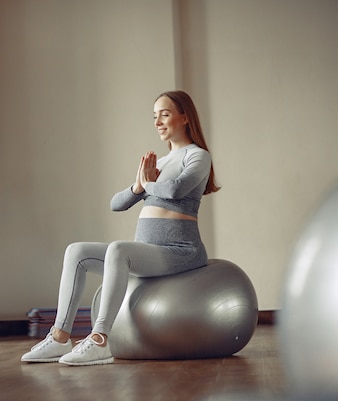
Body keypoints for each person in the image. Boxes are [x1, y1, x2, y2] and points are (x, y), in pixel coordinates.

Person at [21, 90, 220, 366]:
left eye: (165, 114)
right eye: (154, 116)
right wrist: (138, 186)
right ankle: (59, 336)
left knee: (118, 249)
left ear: (185, 117)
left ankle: (101, 339)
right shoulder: (158, 164)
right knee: (76, 251)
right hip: (148, 252)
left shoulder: (198, 156)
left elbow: (175, 190)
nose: (157, 122)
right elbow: (116, 203)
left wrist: (148, 184)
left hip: (180, 250)